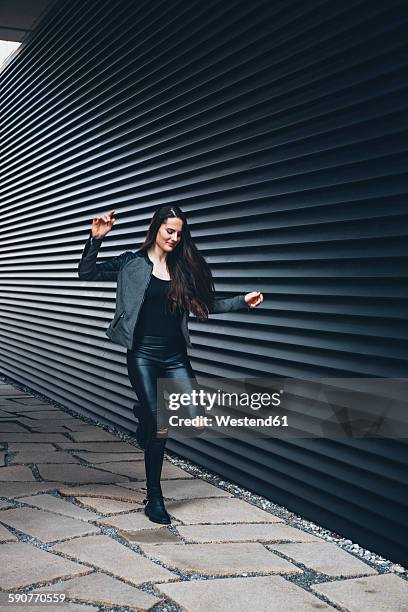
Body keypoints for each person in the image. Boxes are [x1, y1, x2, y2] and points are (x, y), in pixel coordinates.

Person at [78, 205, 263, 524]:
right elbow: (87, 273)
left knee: (193, 419)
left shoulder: (183, 271)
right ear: (155, 227)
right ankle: (155, 497)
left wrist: (241, 303)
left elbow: (205, 306)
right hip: (143, 355)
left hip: (175, 355)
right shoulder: (130, 263)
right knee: (161, 424)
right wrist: (95, 240)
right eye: (169, 231)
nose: (175, 238)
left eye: (179, 233)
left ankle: (144, 416)